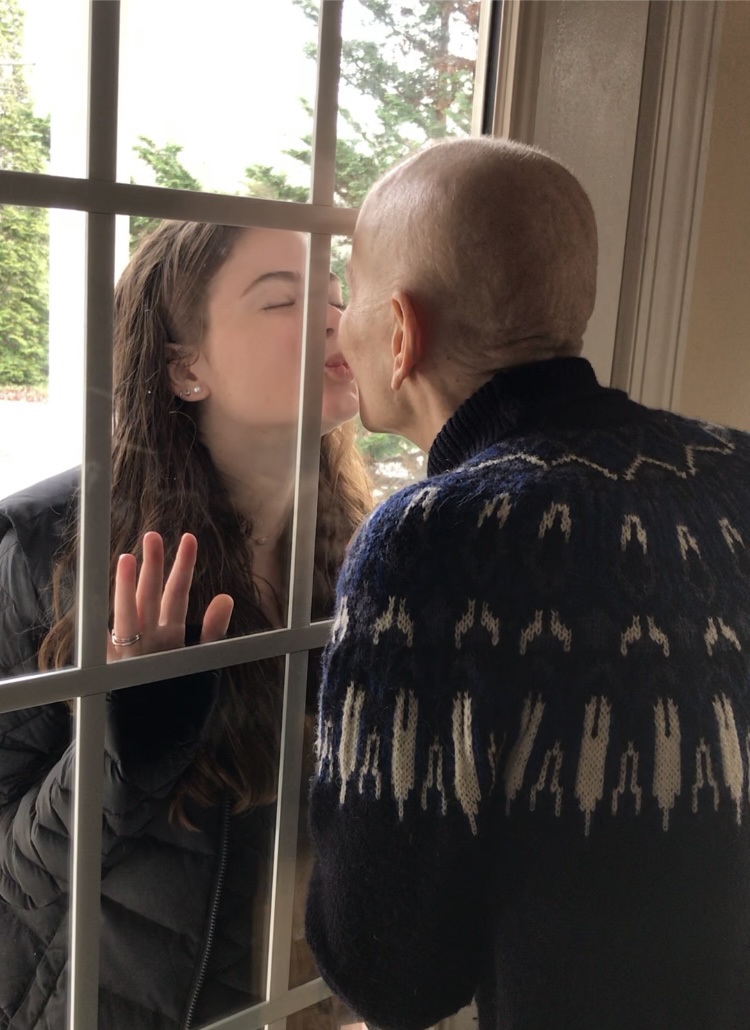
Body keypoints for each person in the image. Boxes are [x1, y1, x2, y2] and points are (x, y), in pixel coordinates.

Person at [304, 136, 750, 1030]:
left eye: (348, 295)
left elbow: (388, 969)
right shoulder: (733, 463)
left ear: (401, 333)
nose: (336, 324)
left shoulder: (433, 539)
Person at [0, 219, 371, 1029]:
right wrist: (125, 748)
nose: (338, 318)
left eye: (339, 296)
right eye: (286, 300)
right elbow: (12, 872)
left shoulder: (374, 552)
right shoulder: (48, 555)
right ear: (186, 367)